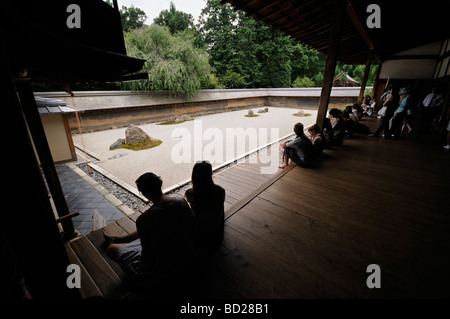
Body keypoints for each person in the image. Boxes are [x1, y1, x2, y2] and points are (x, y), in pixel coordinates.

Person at [103, 172, 195, 285]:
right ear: (159, 185)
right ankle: (119, 239)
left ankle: (117, 242)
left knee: (111, 249)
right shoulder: (181, 201)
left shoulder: (145, 218)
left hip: (165, 267)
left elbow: (147, 256)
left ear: (144, 194)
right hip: (187, 253)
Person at [185, 161, 226, 254]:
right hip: (216, 226)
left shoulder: (190, 193)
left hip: (200, 228)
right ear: (210, 174)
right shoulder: (220, 190)